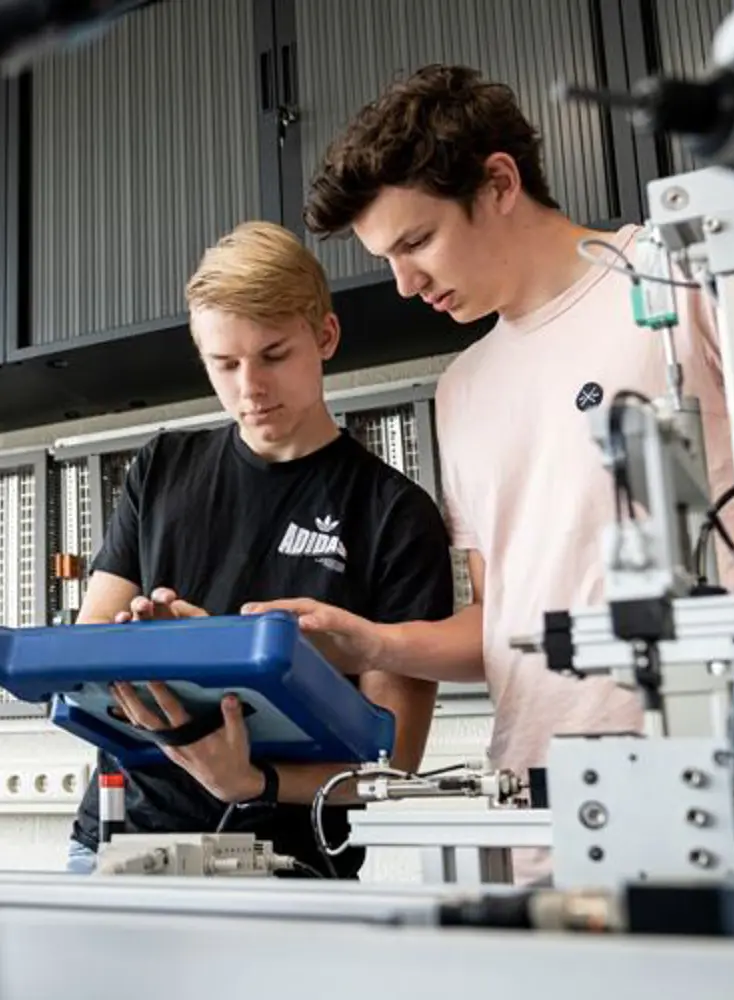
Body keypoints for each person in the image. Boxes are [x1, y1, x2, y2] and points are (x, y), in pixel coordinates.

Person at [241, 64, 734, 884]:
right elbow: (502, 623)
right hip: (544, 807)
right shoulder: (462, 389)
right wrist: (368, 640)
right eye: (387, 257)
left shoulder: (676, 276)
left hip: (719, 779)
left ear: (499, 182)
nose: (404, 283)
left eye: (416, 242)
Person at [66, 220, 454, 878]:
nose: (250, 387)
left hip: (290, 863)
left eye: (274, 355)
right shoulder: (160, 465)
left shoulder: (394, 515)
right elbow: (87, 657)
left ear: (324, 336)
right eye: (225, 363)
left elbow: (390, 763)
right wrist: (177, 649)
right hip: (119, 839)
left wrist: (254, 780)